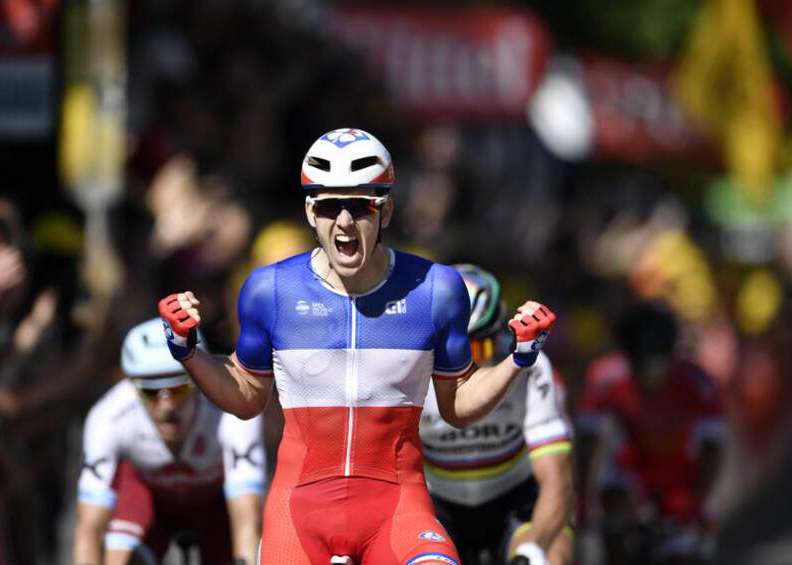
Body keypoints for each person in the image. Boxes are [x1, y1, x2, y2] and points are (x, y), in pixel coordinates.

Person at [158, 128, 557, 564]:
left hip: (396, 509)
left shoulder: (436, 289)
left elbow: (458, 403)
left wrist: (518, 358)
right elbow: (247, 395)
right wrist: (187, 350)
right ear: (310, 212)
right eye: (330, 206)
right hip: (299, 515)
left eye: (361, 206)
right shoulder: (269, 289)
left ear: (385, 212)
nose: (344, 221)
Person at [73, 318, 266, 565]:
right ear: (132, 386)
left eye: (178, 389)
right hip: (147, 498)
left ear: (199, 381)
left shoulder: (231, 411)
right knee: (119, 560)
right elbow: (89, 529)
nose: (166, 407)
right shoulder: (108, 416)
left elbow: (247, 518)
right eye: (150, 391)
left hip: (215, 504)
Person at [420, 264, 575, 565]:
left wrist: (533, 550)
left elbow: (557, 478)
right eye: (453, 349)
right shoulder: (413, 370)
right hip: (438, 506)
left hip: (514, 501)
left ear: (502, 335)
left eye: (478, 348)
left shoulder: (531, 367)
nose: (465, 364)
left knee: (552, 552)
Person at [576, 300, 724, 565]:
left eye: (658, 366)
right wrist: (583, 499)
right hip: (631, 477)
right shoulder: (607, 378)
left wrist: (698, 501)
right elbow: (588, 441)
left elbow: (712, 449)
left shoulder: (698, 384)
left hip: (680, 481)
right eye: (641, 367)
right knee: (614, 506)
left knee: (683, 556)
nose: (650, 378)